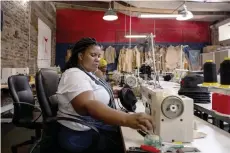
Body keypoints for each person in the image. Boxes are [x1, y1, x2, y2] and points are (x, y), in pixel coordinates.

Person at [56, 38, 154, 153]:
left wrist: (111, 93)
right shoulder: (74, 74)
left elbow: (93, 93)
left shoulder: (87, 74)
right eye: (93, 55)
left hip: (90, 128)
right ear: (81, 56)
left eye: (99, 55)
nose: (97, 59)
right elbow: (88, 105)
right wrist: (126, 119)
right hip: (80, 135)